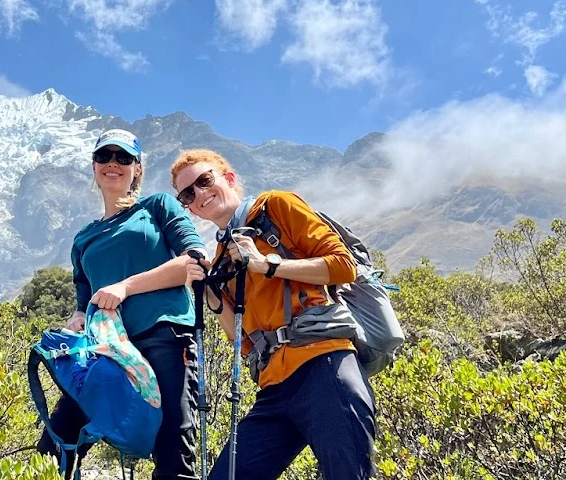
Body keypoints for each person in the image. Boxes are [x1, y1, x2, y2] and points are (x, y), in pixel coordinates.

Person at [169, 149, 375, 480]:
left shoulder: (275, 206)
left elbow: (343, 265)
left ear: (230, 179)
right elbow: (240, 340)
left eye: (205, 181)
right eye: (188, 194)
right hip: (274, 387)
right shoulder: (222, 255)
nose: (200, 194)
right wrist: (211, 293)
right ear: (189, 207)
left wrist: (266, 264)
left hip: (323, 365)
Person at [34, 129, 209, 479]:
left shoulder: (157, 207)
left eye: (123, 158)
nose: (113, 164)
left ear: (137, 168)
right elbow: (84, 301)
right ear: (94, 166)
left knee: (173, 446)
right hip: (107, 349)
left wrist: (126, 287)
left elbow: (196, 260)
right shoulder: (83, 238)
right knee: (58, 439)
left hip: (165, 335)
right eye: (104, 157)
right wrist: (77, 317)